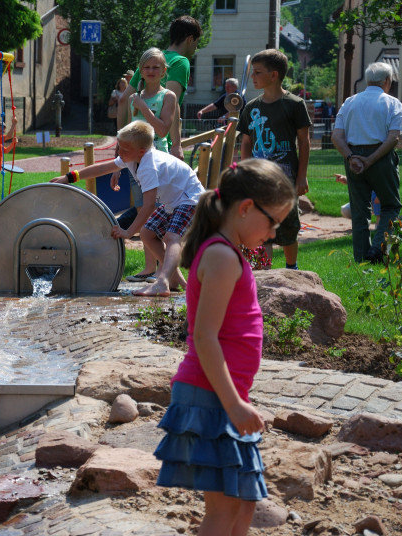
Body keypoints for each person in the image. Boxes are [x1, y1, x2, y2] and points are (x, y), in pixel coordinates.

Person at [155, 159, 295, 536]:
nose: (274, 232)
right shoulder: (220, 256)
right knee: (224, 508)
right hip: (210, 396)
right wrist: (233, 404)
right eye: (273, 221)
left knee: (244, 500)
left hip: (223, 393)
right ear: (246, 208)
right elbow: (204, 337)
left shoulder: (228, 252)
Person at [51, 120, 204, 297]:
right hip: (173, 201)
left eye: (124, 150)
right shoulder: (132, 157)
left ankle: (162, 282)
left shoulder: (148, 166)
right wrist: (69, 177)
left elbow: (148, 206)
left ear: (141, 151)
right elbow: (103, 168)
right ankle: (176, 279)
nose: (119, 152)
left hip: (190, 199)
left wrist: (128, 232)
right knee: (147, 234)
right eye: (119, 147)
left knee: (171, 237)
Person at [237, 49, 311, 270]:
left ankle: (292, 268)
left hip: (286, 181)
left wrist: (302, 177)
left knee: (288, 227)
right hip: (259, 181)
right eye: (252, 72)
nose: (253, 77)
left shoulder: (295, 104)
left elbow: (304, 143)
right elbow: (246, 143)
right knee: (262, 226)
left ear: (274, 75)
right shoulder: (251, 108)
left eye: (258, 72)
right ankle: (264, 272)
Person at [331, 62, 402, 264]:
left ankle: (361, 258)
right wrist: (371, 159)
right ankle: (379, 249)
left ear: (368, 80)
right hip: (381, 157)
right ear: (387, 81)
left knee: (359, 210)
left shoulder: (350, 102)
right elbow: (393, 138)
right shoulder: (392, 103)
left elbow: (336, 136)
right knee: (391, 205)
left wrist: (351, 157)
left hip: (353, 157)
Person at [119, 48, 177, 283]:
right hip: (136, 164)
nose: (151, 71)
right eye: (147, 67)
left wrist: (143, 108)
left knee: (157, 214)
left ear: (164, 71)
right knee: (146, 212)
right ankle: (149, 267)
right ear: (140, 71)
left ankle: (165, 270)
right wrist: (120, 165)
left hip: (157, 163)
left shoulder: (168, 96)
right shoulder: (135, 97)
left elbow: (162, 129)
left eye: (156, 67)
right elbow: (129, 134)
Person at [118, 15, 202, 160]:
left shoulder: (150, 60)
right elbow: (173, 103)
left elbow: (123, 100)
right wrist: (176, 145)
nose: (196, 47)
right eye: (196, 42)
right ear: (190, 39)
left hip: (135, 146)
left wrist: (121, 144)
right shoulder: (180, 62)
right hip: (160, 146)